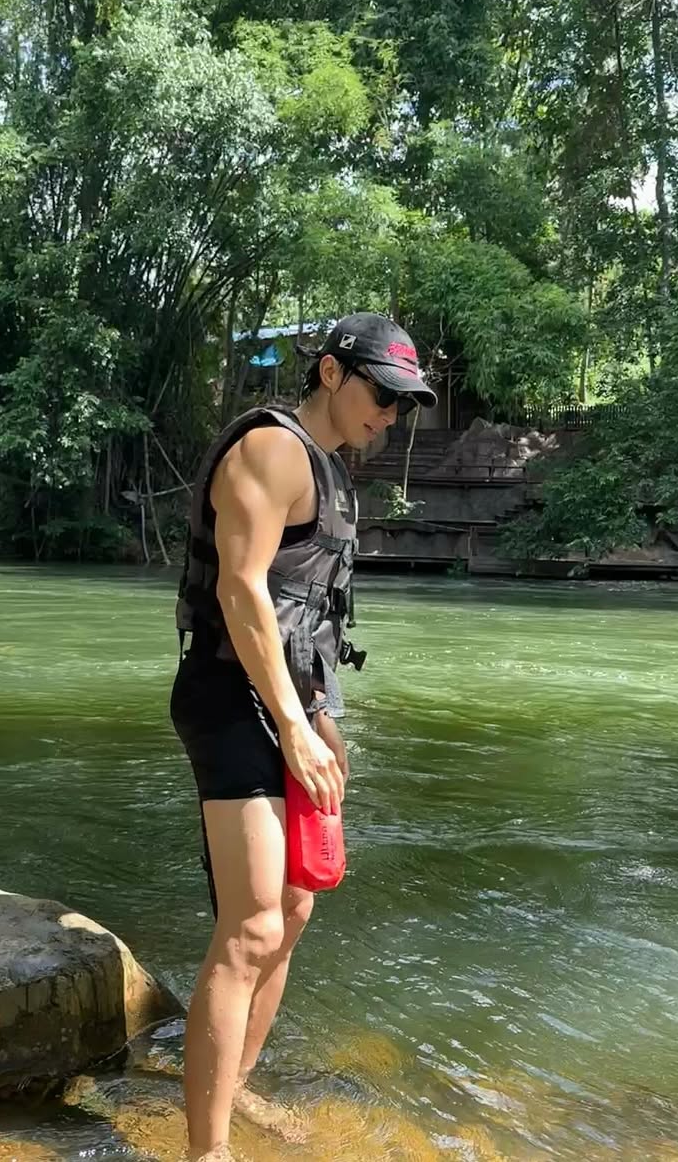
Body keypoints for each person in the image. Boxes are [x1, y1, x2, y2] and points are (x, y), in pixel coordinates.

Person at [170, 312, 437, 1162]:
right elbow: (243, 593)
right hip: (228, 695)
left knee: (293, 909)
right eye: (382, 393)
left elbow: (309, 621)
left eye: (402, 404)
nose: (389, 414)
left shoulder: (334, 473)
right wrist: (291, 724)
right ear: (330, 372)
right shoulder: (272, 451)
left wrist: (322, 721)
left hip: (291, 703)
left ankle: (236, 1088)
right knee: (250, 927)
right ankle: (207, 1150)